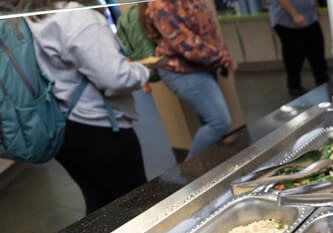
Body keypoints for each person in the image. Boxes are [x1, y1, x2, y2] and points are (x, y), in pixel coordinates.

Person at [26, 1, 151, 214]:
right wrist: (142, 70)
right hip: (101, 127)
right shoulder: (79, 18)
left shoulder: (37, 16)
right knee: (138, 205)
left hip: (65, 124)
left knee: (100, 206)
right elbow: (115, 78)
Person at [146, 0, 236, 159]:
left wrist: (222, 55)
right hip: (183, 70)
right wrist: (223, 58)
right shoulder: (161, 5)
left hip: (203, 66)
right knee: (218, 122)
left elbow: (208, 31)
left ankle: (207, 173)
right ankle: (192, 175)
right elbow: (187, 44)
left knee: (208, 122)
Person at [269, 0, 329, 97]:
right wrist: (295, 15)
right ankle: (294, 86)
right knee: (294, 54)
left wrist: (315, 7)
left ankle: (323, 81)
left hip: (309, 17)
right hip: (286, 20)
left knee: (317, 50)